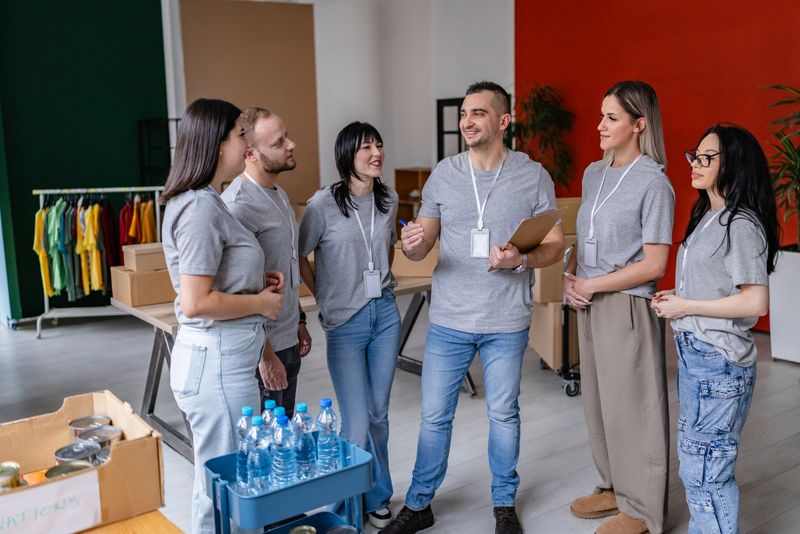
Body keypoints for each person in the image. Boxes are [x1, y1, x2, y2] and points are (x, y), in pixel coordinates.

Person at [382, 81, 564, 534]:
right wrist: (414, 242)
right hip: (448, 320)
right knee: (434, 417)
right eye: (464, 113)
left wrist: (520, 258)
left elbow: (555, 246)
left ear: (502, 121)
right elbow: (422, 248)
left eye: (478, 112)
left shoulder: (533, 175)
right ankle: (420, 503)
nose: (467, 120)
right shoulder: (445, 173)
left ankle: (504, 504)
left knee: (504, 414)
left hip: (506, 320)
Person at [160, 98, 283, 534]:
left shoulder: (207, 201)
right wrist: (260, 304)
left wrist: (252, 280)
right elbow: (195, 301)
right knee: (225, 484)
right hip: (217, 367)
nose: (245, 142)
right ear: (216, 143)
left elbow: (215, 276)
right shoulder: (198, 207)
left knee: (222, 478)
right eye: (238, 135)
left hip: (223, 362)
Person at [652, 124, 779, 534]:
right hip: (697, 356)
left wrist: (687, 306)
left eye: (708, 157)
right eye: (696, 154)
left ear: (734, 165)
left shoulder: (740, 223)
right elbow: (719, 284)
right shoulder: (709, 215)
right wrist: (681, 294)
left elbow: (754, 302)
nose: (695, 163)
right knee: (697, 466)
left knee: (706, 472)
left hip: (719, 364)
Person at [563, 81, 674, 534]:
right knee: (599, 402)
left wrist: (593, 284)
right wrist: (573, 275)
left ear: (639, 124)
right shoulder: (594, 172)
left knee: (635, 407)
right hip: (589, 300)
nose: (600, 125)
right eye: (601, 115)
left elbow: (655, 263)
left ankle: (644, 509)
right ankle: (613, 486)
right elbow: (585, 237)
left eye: (612, 118)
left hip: (626, 305)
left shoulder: (655, 182)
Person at [298, 121, 401, 530]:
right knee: (355, 421)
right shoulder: (322, 204)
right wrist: (323, 295)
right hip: (345, 321)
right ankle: (344, 507)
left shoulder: (388, 198)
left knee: (378, 414)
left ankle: (377, 495)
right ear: (347, 156)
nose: (376, 153)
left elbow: (389, 245)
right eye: (365, 148)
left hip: (386, 314)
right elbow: (301, 255)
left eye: (379, 144)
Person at [221, 107, 312, 418]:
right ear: (251, 153)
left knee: (283, 441)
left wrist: (299, 320)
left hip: (286, 339)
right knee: (265, 448)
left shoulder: (277, 192)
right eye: (278, 142)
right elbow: (239, 291)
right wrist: (265, 354)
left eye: (286, 136)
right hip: (262, 350)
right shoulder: (238, 207)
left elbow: (284, 266)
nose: (291, 144)